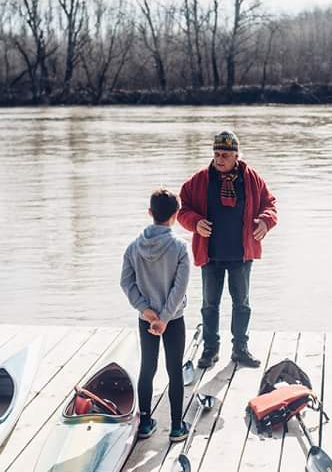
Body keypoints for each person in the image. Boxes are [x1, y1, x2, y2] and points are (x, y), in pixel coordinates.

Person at [178, 130, 277, 369]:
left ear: (236, 156)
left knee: (242, 304)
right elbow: (183, 210)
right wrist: (195, 222)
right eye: (216, 153)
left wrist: (265, 221)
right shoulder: (199, 180)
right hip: (210, 254)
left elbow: (270, 204)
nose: (219, 159)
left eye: (225, 154)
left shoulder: (252, 178)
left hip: (241, 255)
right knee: (209, 305)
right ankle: (210, 350)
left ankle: (240, 350)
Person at [121, 188, 191, 442]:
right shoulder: (180, 247)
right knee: (174, 370)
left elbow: (126, 284)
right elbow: (179, 287)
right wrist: (164, 317)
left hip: (146, 320)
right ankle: (176, 427)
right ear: (176, 214)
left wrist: (147, 312)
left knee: (147, 368)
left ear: (150, 213)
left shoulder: (132, 247)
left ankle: (146, 421)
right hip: (173, 320)